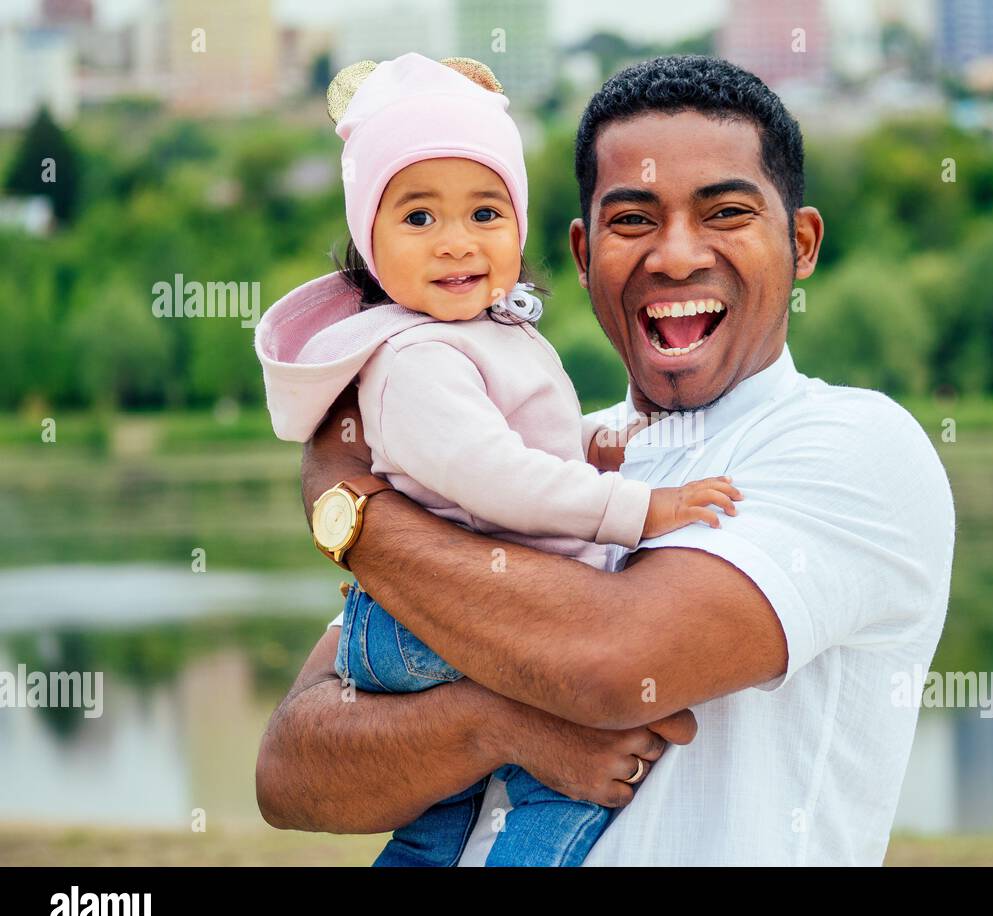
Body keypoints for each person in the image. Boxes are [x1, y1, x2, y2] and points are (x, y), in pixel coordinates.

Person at [256, 54, 956, 866]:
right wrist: (495, 725)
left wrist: (350, 510)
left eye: (725, 212)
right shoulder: (528, 454)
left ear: (800, 243)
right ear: (583, 255)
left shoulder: (853, 448)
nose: (677, 256)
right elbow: (289, 771)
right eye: (633, 220)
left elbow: (614, 666)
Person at [254, 53, 740, 866]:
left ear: (520, 226)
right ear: (367, 241)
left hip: (417, 615)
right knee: (576, 749)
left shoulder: (481, 335)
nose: (456, 244)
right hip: (422, 627)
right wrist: (638, 508)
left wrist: (593, 442)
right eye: (417, 219)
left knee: (437, 817)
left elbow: (513, 447)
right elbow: (495, 479)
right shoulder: (417, 358)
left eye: (485, 213)